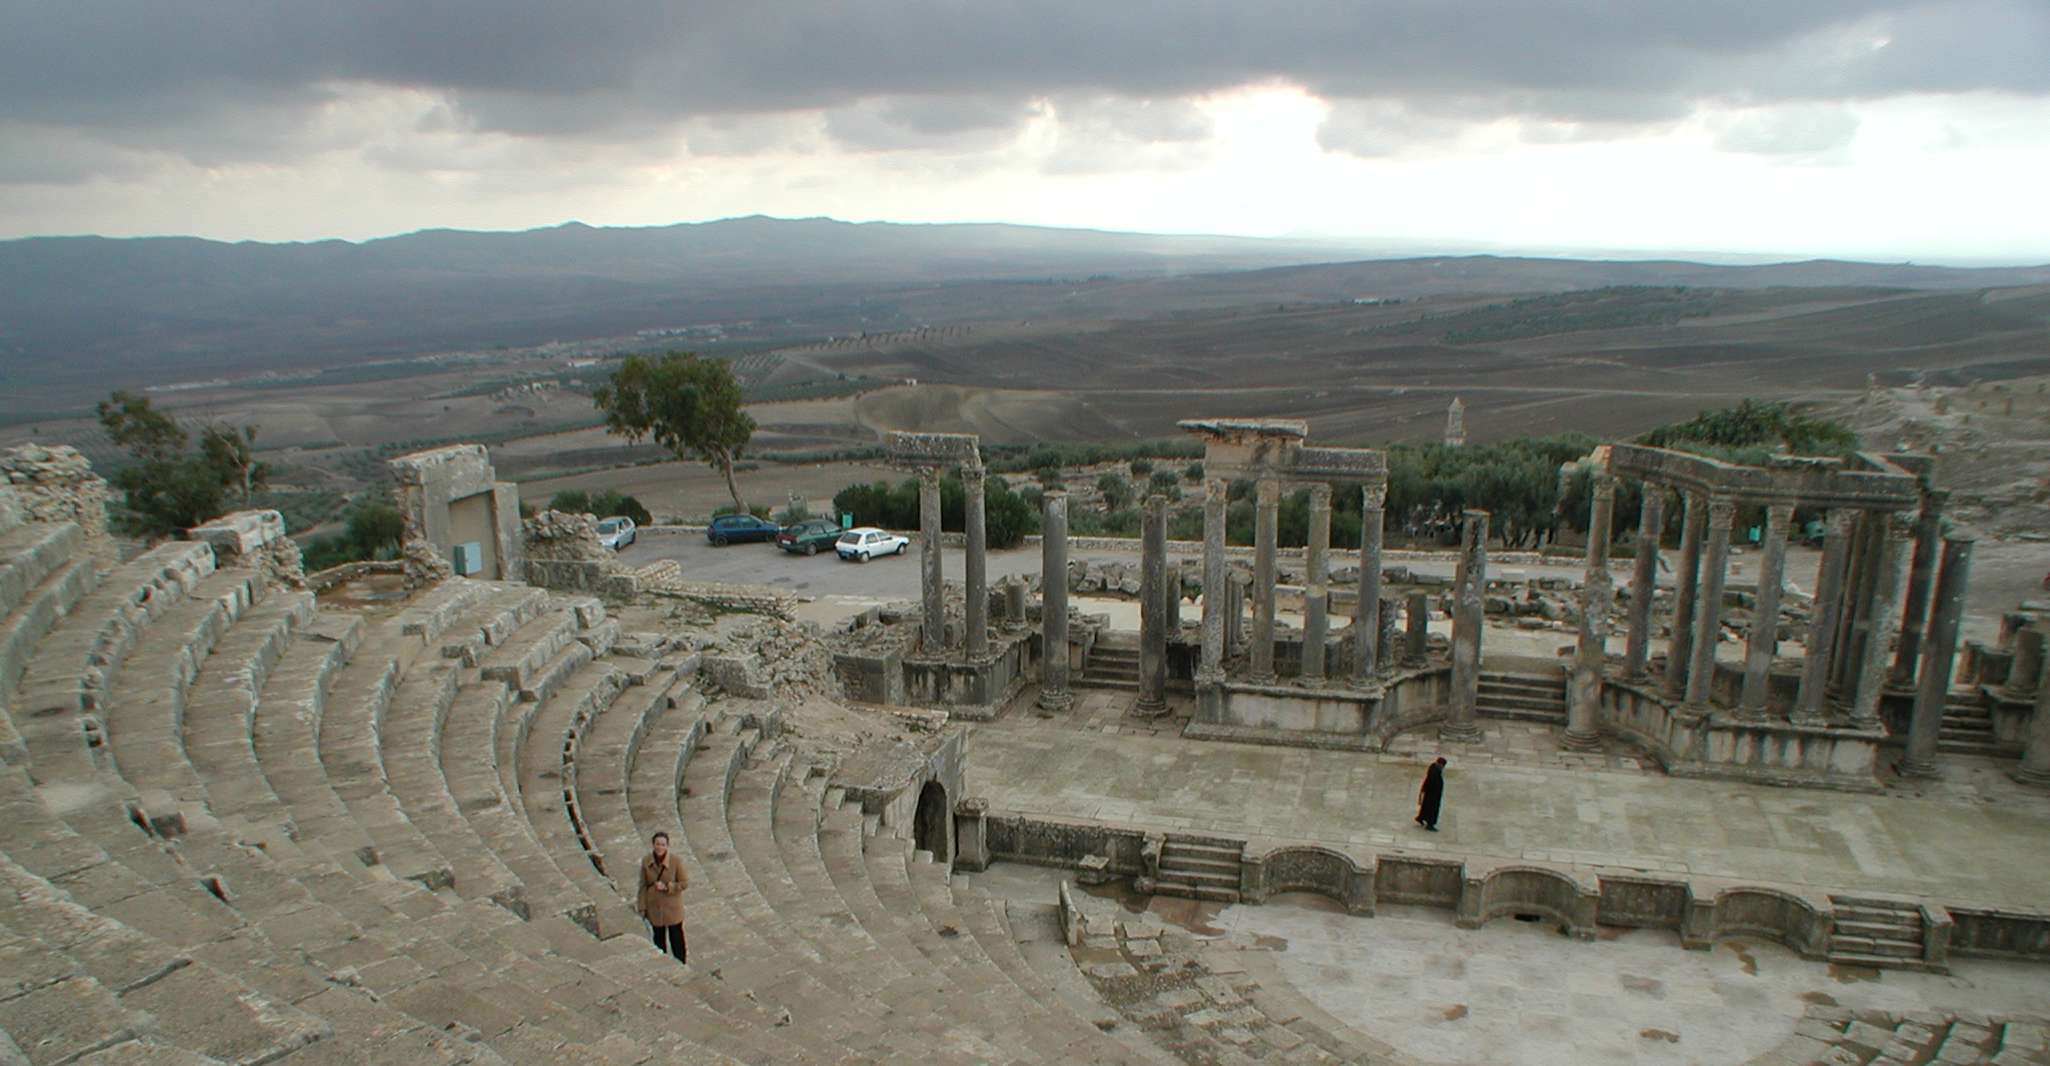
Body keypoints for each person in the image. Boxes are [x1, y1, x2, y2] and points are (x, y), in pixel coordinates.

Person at [639, 831, 688, 963]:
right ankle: (663, 964)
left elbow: (684, 883)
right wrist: (642, 906)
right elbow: (643, 885)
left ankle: (681, 964)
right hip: (654, 907)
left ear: (667, 846)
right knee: (659, 938)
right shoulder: (646, 861)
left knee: (676, 938)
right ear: (653, 845)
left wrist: (667, 887)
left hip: (672, 908)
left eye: (662, 844)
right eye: (657, 844)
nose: (659, 847)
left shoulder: (675, 862)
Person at [1415, 757, 1446, 832]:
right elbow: (1433, 783)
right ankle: (1430, 824)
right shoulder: (1435, 772)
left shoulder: (1433, 768)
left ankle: (1421, 817)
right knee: (1432, 809)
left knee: (1426, 806)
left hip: (1429, 793)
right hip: (1433, 795)